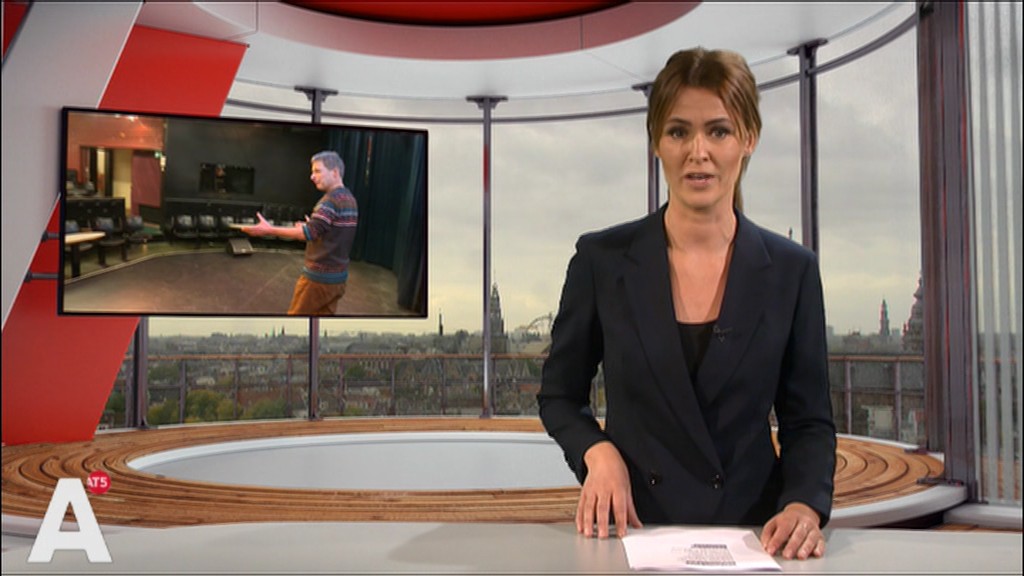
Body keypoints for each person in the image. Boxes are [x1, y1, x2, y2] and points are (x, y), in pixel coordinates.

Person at [537, 47, 836, 561]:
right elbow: (559, 396)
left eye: (718, 131)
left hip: (754, 537)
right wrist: (597, 452)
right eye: (678, 132)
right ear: (656, 141)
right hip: (631, 532)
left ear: (749, 138)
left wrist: (804, 506)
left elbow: (808, 421)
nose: (698, 151)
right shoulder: (601, 261)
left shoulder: (793, 271)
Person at [242, 151, 358, 315]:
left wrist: (269, 229)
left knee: (296, 322)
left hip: (319, 280)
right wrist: (311, 225)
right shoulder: (349, 199)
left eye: (317, 171)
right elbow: (332, 231)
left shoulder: (329, 202)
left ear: (335, 172)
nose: (312, 176)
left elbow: (308, 233)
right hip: (338, 280)